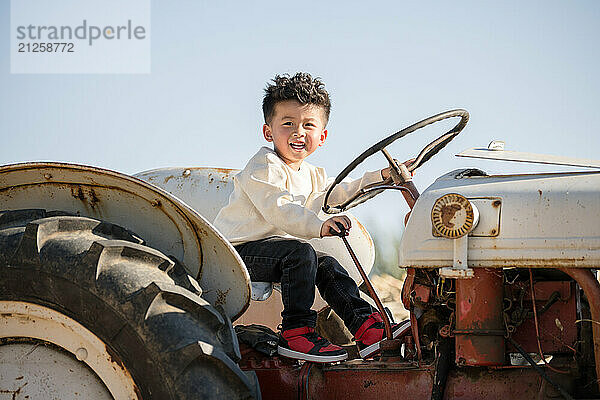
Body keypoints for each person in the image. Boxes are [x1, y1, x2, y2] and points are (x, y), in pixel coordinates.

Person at [214, 72, 405, 363]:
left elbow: (340, 192)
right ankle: (297, 331)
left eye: (308, 125)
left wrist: (381, 177)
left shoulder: (312, 175)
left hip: (276, 253)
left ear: (322, 136)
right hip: (237, 253)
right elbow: (279, 206)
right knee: (302, 253)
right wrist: (319, 225)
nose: (298, 132)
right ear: (269, 132)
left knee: (326, 264)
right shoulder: (263, 165)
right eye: (287, 124)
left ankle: (367, 328)